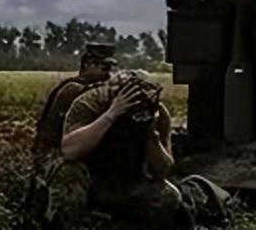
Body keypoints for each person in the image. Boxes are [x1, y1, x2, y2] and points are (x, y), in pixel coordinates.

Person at [50, 69, 183, 228]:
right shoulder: (89, 105)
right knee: (68, 176)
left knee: (170, 197)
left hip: (127, 180)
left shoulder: (158, 114)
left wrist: (151, 136)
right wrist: (112, 114)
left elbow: (163, 170)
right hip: (91, 177)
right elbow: (70, 151)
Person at [25, 43, 118, 222]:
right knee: (70, 175)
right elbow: (61, 143)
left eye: (110, 69)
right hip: (52, 152)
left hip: (81, 147)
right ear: (88, 64)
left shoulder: (99, 91)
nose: (108, 74)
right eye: (104, 68)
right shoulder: (74, 90)